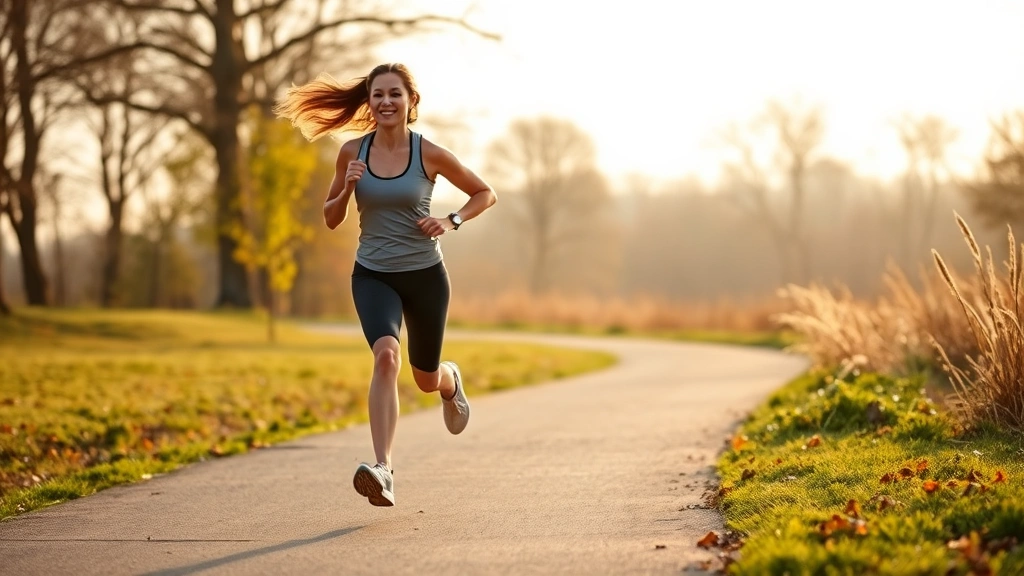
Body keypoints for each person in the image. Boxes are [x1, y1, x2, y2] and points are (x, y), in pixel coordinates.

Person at [273, 63, 497, 507]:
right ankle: (383, 469)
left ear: (411, 102)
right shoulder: (352, 152)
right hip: (373, 274)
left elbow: (484, 193)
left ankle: (451, 382)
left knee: (425, 379)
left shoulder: (429, 153)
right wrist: (345, 189)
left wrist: (451, 220)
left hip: (425, 277)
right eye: (378, 95)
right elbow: (331, 218)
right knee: (385, 357)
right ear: (369, 102)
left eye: (395, 94)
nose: (386, 102)